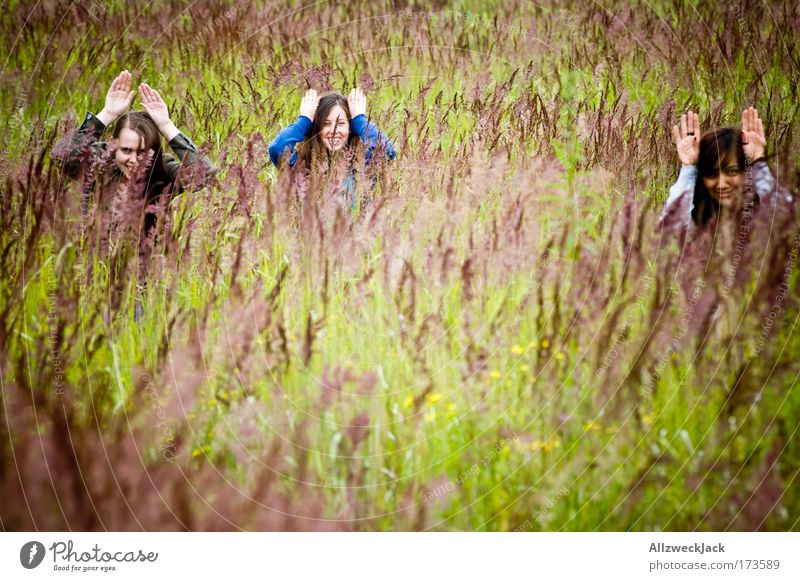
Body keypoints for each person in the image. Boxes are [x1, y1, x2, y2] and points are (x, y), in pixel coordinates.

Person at [53, 70, 214, 318]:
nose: (134, 160)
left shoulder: (161, 171)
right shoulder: (101, 163)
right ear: (114, 146)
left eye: (142, 152)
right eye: (126, 151)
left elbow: (205, 175)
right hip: (96, 272)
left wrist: (166, 126)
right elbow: (62, 158)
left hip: (144, 277)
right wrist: (106, 115)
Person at [662, 107, 787, 236]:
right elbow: (671, 228)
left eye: (732, 172)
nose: (721, 184)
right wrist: (688, 166)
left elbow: (787, 218)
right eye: (712, 174)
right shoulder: (701, 218)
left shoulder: (763, 217)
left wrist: (758, 160)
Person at [268, 88, 396, 210]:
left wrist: (359, 119)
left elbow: (388, 151)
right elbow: (277, 149)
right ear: (316, 128)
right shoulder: (302, 167)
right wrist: (305, 120)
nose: (334, 131)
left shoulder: (362, 164)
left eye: (341, 123)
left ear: (351, 128)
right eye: (326, 124)